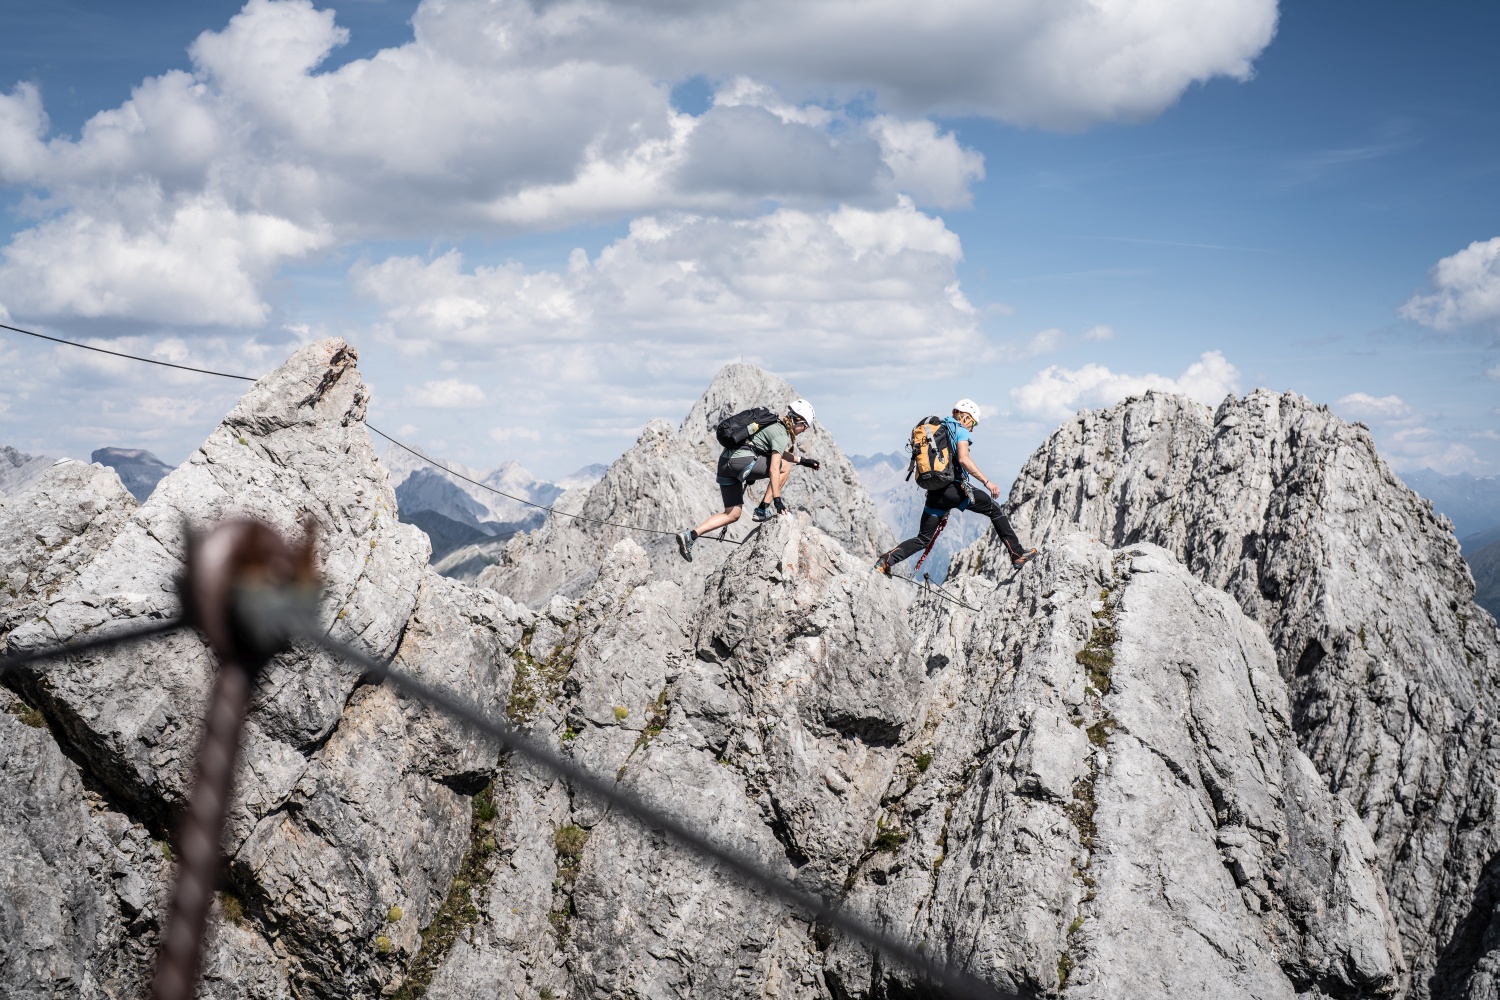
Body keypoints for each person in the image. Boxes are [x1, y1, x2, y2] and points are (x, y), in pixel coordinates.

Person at [875, 399, 1036, 574]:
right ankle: (1017, 553)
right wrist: (987, 482)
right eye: (973, 423)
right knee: (994, 509)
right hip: (954, 489)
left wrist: (945, 507)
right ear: (965, 417)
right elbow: (963, 459)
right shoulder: (959, 431)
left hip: (935, 494)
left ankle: (886, 560)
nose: (972, 428)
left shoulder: (939, 430)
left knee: (923, 539)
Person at [676, 399, 820, 561]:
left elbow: (775, 450)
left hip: (725, 464)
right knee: (784, 466)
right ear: (799, 422)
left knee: (733, 513)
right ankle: (762, 509)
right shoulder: (781, 434)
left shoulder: (771, 425)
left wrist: (803, 460)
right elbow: (774, 468)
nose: (803, 431)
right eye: (805, 427)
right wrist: (777, 501)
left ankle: (691, 535)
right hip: (741, 463)